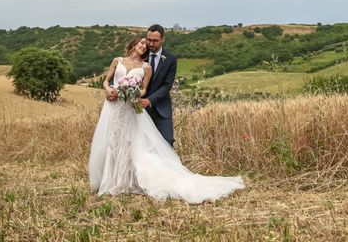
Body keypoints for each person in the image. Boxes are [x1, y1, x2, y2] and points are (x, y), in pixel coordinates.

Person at [88, 35, 244, 203]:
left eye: (146, 46)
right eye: (141, 42)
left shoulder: (146, 67)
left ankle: (126, 181)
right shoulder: (117, 60)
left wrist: (133, 91)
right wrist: (108, 89)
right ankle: (110, 180)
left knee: (130, 143)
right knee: (112, 141)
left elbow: (143, 90)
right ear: (133, 43)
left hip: (130, 109)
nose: (144, 46)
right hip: (113, 107)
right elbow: (106, 80)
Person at [139, 24, 176, 147]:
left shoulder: (171, 59)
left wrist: (149, 100)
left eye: (155, 41)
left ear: (162, 40)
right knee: (142, 145)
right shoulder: (140, 55)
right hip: (138, 109)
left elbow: (166, 86)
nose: (151, 44)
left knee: (167, 141)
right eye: (149, 40)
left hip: (161, 109)